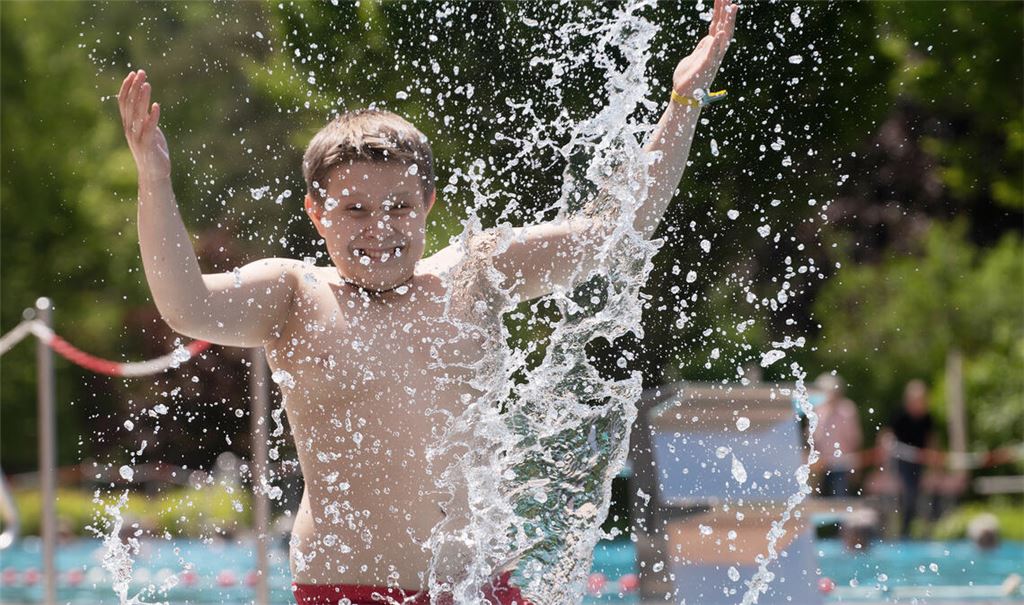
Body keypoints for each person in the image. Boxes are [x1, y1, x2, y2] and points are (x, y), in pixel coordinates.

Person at [115, 1, 740, 602]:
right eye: (355, 209)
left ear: (427, 206)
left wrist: (683, 101)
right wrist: (155, 178)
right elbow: (186, 306)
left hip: (476, 590)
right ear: (316, 213)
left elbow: (612, 232)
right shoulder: (295, 295)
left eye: (399, 207)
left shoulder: (476, 274)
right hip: (348, 592)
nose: (379, 228)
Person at [886, 379, 938, 538]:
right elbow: (887, 438)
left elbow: (931, 441)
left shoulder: (927, 418)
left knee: (925, 495)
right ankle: (904, 530)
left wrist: (933, 463)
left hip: (920, 462)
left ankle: (924, 530)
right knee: (909, 493)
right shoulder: (900, 416)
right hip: (901, 461)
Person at [810, 373, 863, 498]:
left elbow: (854, 438)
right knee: (819, 499)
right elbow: (814, 438)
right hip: (821, 463)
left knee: (839, 498)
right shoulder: (819, 410)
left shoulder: (847, 410)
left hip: (842, 463)